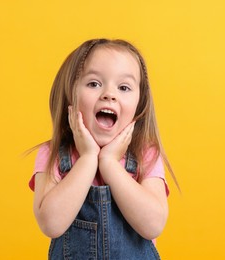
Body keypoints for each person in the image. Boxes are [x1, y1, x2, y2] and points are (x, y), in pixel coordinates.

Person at [28, 38, 176, 259]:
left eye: (124, 87)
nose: (109, 94)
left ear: (139, 104)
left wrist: (109, 163)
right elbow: (51, 224)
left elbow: (153, 225)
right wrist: (88, 158)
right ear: (70, 94)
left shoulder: (146, 154)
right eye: (94, 84)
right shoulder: (54, 154)